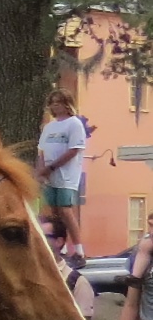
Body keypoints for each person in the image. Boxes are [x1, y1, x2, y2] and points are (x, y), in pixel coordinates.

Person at [38, 89, 89, 248]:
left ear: (67, 104)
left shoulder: (74, 124)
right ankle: (62, 246)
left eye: (58, 102)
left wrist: (52, 167)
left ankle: (79, 248)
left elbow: (73, 150)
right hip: (49, 175)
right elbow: (41, 150)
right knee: (54, 212)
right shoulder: (48, 127)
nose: (55, 106)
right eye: (52, 103)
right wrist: (40, 170)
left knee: (65, 210)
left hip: (66, 175)